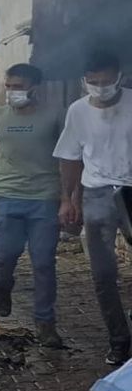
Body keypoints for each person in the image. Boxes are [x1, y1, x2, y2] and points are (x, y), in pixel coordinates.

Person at [0, 63, 65, 348]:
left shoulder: (56, 116)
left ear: (35, 87)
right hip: (7, 195)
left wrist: (70, 198)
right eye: (9, 86)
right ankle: (2, 285)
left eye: (19, 87)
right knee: (5, 255)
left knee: (44, 262)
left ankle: (45, 322)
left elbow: (69, 157)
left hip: (45, 197)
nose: (12, 92)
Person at [54, 50, 132, 366]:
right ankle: (119, 340)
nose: (100, 87)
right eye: (93, 81)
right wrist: (68, 199)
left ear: (120, 77)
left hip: (131, 191)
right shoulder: (77, 111)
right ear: (84, 81)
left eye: (106, 81)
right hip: (97, 194)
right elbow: (70, 158)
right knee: (102, 274)